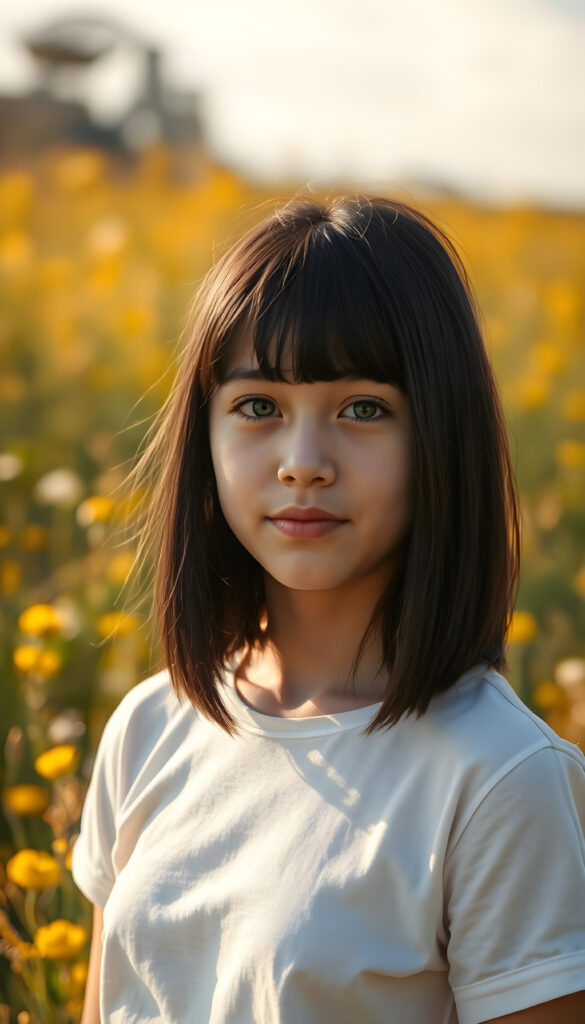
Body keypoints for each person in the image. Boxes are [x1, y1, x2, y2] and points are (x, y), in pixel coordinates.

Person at [72, 195, 585, 1024]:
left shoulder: (501, 778)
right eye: (257, 407)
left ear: (439, 434)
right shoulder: (148, 727)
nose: (303, 463)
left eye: (363, 409)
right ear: (204, 435)